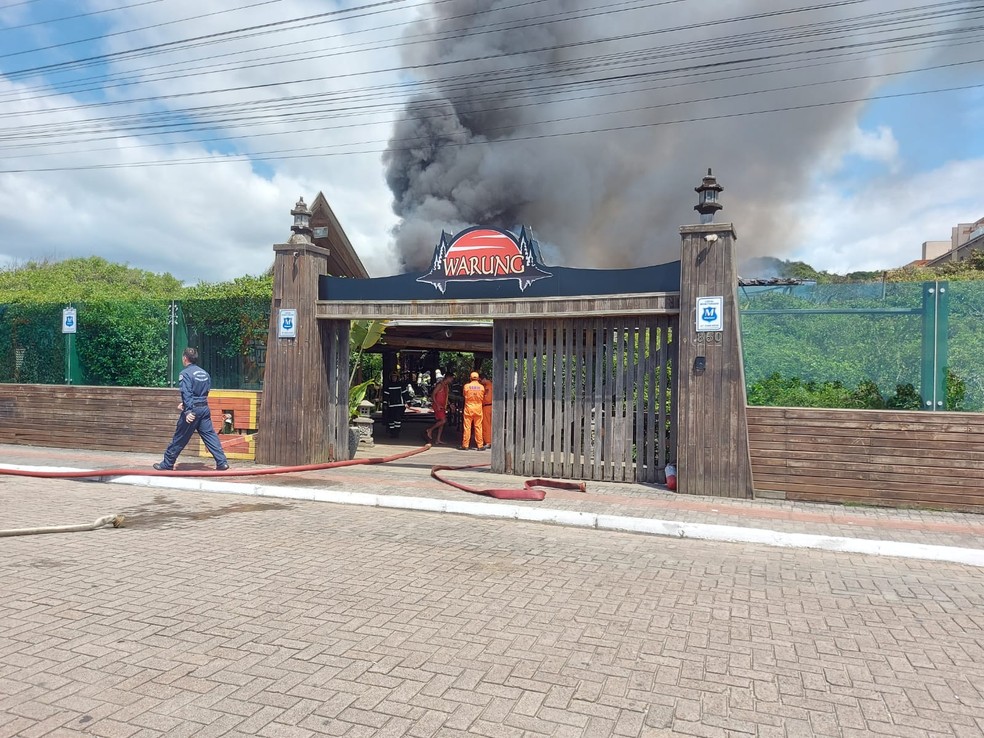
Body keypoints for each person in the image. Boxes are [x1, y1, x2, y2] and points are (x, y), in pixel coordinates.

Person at [154, 347, 229, 471]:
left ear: (185, 358)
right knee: (210, 435)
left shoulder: (185, 374)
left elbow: (186, 392)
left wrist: (188, 410)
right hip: (204, 408)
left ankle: (167, 463)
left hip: (193, 410)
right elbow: (205, 392)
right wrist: (188, 404)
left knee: (180, 436)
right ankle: (222, 462)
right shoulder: (205, 373)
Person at [460, 371, 486, 450]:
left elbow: (464, 395)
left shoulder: (466, 386)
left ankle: (465, 445)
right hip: (478, 408)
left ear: (470, 378)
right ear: (478, 378)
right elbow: (483, 396)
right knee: (478, 427)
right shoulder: (482, 387)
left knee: (467, 427)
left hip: (469, 408)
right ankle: (480, 445)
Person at [425, 373, 453, 445]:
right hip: (438, 406)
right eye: (451, 378)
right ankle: (430, 430)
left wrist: (450, 404)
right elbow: (433, 394)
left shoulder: (446, 386)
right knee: (443, 420)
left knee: (441, 423)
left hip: (443, 406)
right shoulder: (440, 385)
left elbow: (446, 397)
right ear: (448, 378)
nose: (452, 380)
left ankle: (438, 439)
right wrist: (437, 404)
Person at [384, 370, 411, 437]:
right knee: (391, 419)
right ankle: (392, 432)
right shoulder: (388, 385)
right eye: (393, 377)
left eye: (395, 377)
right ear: (391, 377)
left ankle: (397, 432)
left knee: (398, 419)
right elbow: (386, 395)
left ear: (397, 377)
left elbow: (405, 393)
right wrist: (385, 403)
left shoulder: (401, 385)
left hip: (399, 405)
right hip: (391, 405)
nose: (394, 378)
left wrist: (408, 401)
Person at [480, 375, 493, 448]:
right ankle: (492, 440)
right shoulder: (492, 385)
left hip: (486, 407)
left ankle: (488, 442)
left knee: (486, 425)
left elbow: (485, 398)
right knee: (491, 425)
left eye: (481, 380)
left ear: (484, 379)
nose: (480, 382)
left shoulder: (486, 387)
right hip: (493, 407)